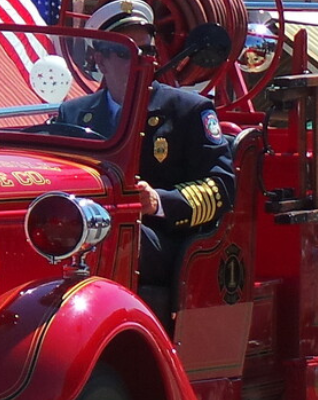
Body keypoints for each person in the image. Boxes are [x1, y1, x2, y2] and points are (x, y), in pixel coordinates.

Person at [51, 0, 235, 330]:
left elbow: (221, 186)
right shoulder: (73, 114)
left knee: (116, 240)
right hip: (84, 232)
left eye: (147, 51)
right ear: (99, 58)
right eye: (126, 52)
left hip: (163, 239)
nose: (142, 61)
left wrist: (159, 202)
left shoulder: (188, 110)